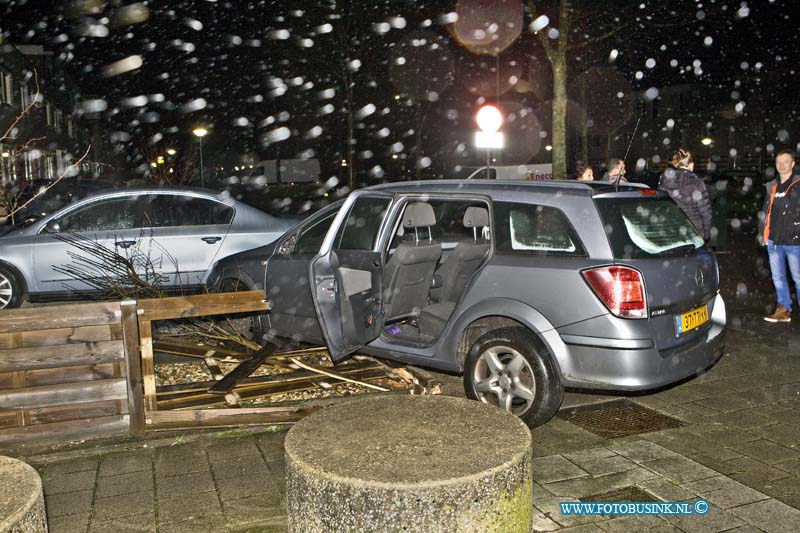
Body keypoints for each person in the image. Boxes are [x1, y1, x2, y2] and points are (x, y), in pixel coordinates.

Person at [762, 149, 800, 323]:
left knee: (798, 278)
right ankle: (784, 309)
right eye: (779, 162)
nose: (782, 165)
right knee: (778, 277)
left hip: (794, 241)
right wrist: (763, 233)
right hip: (774, 241)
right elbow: (766, 212)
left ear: (793, 164)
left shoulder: (798, 184)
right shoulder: (772, 186)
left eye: (786, 161)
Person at [658, 148, 712, 241]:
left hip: (670, 231)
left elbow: (661, 207)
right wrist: (706, 235)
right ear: (691, 164)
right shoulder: (696, 183)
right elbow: (705, 212)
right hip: (693, 232)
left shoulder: (663, 181)